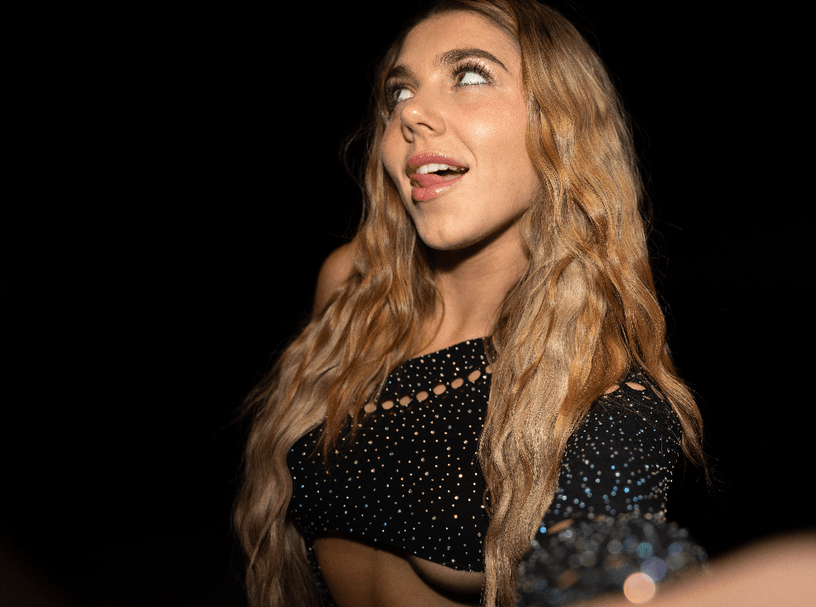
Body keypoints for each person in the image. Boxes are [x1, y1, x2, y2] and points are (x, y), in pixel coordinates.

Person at [233, 1, 707, 606]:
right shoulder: (354, 291)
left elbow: (607, 574)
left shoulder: (605, 397)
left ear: (560, 123)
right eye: (399, 92)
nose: (411, 113)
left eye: (470, 75)